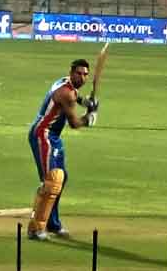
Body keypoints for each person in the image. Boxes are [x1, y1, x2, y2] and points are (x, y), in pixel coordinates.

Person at [27, 59, 100, 241]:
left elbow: (76, 96)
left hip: (54, 137)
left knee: (61, 178)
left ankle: (53, 223)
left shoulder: (66, 83)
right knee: (51, 181)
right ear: (71, 72)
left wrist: (86, 102)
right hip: (43, 135)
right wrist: (90, 117)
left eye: (85, 74)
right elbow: (75, 123)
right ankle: (35, 229)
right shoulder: (65, 93)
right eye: (79, 73)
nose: (82, 77)